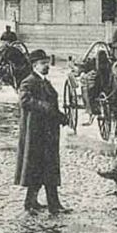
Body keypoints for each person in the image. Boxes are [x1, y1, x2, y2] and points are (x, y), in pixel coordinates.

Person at [14, 49, 70, 213]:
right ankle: (37, 203)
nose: (46, 66)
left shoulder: (45, 82)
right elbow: (24, 101)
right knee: (38, 168)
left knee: (47, 168)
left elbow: (52, 107)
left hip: (48, 133)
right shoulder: (29, 82)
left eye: (47, 63)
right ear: (34, 65)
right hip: (36, 133)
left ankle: (45, 203)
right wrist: (44, 106)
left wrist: (61, 117)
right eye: (42, 63)